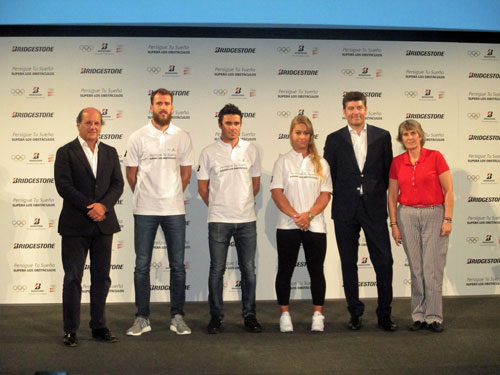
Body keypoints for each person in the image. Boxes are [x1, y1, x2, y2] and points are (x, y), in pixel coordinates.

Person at [323, 91, 397, 331]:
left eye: (359, 107)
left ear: (366, 109)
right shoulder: (333, 139)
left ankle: (384, 314)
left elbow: (388, 174)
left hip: (374, 208)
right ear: (344, 111)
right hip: (345, 209)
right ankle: (355, 313)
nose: (355, 112)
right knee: (348, 262)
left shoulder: (382, 136)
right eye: (351, 108)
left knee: (384, 262)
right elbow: (328, 175)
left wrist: (371, 192)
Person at [124, 88, 194, 336]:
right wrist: (147, 195)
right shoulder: (138, 136)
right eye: (158, 103)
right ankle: (142, 317)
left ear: (172, 108)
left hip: (174, 210)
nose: (163, 107)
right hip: (144, 210)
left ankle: (177, 317)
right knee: (142, 265)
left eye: (167, 103)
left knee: (177, 266)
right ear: (151, 107)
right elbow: (131, 174)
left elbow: (186, 175)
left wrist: (170, 194)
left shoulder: (182, 137)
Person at [54, 107, 124, 346]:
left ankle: (99, 326)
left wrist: (103, 207)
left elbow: (117, 184)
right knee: (73, 277)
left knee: (102, 278)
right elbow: (64, 186)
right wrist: (90, 207)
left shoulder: (110, 152)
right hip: (75, 225)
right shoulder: (65, 152)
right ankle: (71, 329)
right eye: (88, 123)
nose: (93, 127)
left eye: (97, 123)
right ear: (78, 125)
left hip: (104, 224)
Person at [198, 103, 262, 334]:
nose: (233, 128)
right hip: (218, 220)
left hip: (247, 219)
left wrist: (240, 203)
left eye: (236, 123)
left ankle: (250, 315)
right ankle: (216, 317)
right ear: (220, 124)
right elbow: (203, 188)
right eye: (228, 123)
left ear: (241, 124)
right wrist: (219, 206)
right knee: (217, 270)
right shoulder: (208, 152)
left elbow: (255, 185)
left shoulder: (251, 150)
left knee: (248, 270)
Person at [388, 119, 453, 333]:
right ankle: (419, 315)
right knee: (416, 269)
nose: (409, 137)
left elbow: (449, 191)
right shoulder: (397, 162)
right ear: (401, 138)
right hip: (406, 215)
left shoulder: (435, 157)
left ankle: (434, 316)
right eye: (405, 134)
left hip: (434, 214)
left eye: (413, 133)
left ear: (420, 135)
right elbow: (392, 196)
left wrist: (448, 219)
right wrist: (394, 224)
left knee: (431, 267)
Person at [270, 115, 332, 332]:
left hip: (315, 226)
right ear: (291, 134)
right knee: (285, 271)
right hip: (288, 226)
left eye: (306, 133)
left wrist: (309, 216)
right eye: (298, 132)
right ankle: (284, 314)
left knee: (316, 271)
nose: (302, 137)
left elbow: (325, 195)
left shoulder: (321, 163)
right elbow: (276, 193)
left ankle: (318, 314)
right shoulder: (282, 161)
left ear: (311, 136)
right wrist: (297, 216)